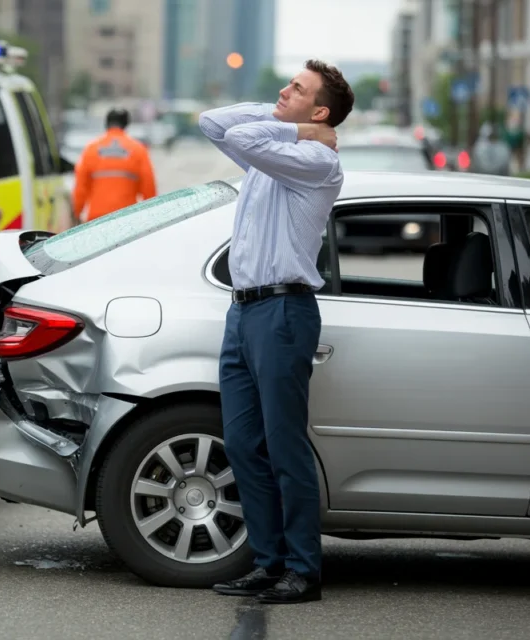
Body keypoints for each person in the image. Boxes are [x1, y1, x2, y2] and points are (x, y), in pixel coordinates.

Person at [199, 59, 354, 605]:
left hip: (283, 314)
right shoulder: (284, 146)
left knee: (285, 446)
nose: (283, 90)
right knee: (243, 443)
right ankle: (268, 563)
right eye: (288, 84)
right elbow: (212, 121)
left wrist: (297, 129)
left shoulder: (313, 159)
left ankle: (302, 571)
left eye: (297, 89)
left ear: (321, 113)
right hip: (243, 312)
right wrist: (292, 116)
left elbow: (238, 133)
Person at [71, 107, 157, 223]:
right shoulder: (138, 150)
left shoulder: (91, 149)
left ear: (106, 124)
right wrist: (151, 215)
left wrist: (77, 213)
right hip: (126, 218)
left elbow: (80, 187)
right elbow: (149, 187)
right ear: (126, 125)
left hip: (96, 220)